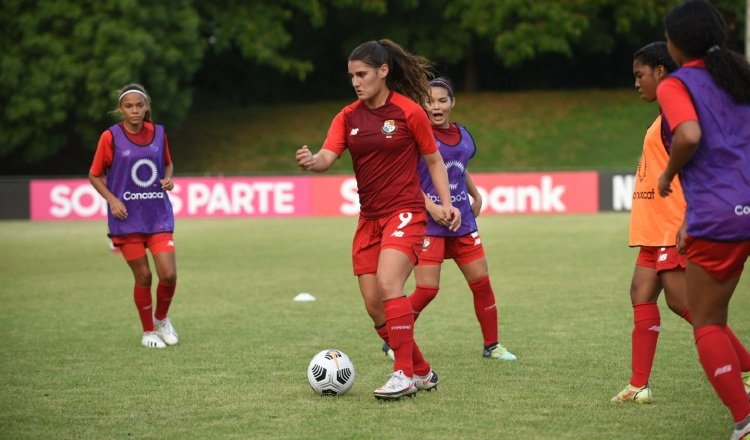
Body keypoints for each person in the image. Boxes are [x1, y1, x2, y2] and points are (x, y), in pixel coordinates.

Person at [295, 39, 460, 400]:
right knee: (374, 306)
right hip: (369, 219)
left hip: (405, 212)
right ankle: (422, 370)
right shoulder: (348, 116)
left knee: (389, 283)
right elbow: (327, 155)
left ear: (383, 72)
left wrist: (444, 203)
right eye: (352, 75)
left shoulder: (408, 112)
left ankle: (401, 373)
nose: (356, 81)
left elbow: (434, 160)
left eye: (363, 74)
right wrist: (312, 161)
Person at [611, 42, 750, 404]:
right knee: (640, 292)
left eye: (640, 75)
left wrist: (689, 218)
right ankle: (638, 384)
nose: (636, 83)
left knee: (685, 303)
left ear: (660, 71)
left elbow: (700, 167)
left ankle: (746, 368)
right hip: (653, 228)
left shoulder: (679, 116)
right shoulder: (665, 115)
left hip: (671, 226)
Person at [657, 1, 750, 438]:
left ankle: (745, 421)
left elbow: (689, 134)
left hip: (722, 217)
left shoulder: (678, 83)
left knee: (708, 321)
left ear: (675, 45)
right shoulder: (740, 72)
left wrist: (669, 172)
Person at [381, 77, 516, 362]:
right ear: (423, 105)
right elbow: (407, 179)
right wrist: (431, 207)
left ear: (452, 103)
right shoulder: (417, 135)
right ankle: (394, 338)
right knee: (428, 289)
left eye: (442, 100)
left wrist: (475, 195)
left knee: (481, 282)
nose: (436, 106)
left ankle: (492, 346)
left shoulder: (464, 135)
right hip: (430, 223)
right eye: (429, 101)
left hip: (462, 222)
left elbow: (459, 168)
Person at [89, 84, 180, 349]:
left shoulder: (159, 133)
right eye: (128, 106)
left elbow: (167, 162)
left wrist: (168, 178)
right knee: (143, 277)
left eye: (139, 105)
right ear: (121, 109)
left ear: (147, 106)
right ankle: (148, 331)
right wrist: (112, 199)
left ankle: (161, 319)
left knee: (169, 275)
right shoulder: (110, 137)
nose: (135, 110)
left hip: (157, 216)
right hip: (126, 218)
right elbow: (94, 174)